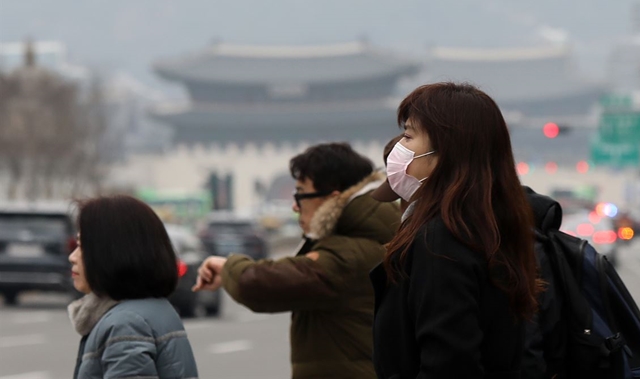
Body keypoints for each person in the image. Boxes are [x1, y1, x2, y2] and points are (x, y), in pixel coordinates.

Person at [370, 82, 540, 378]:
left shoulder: (440, 241)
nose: (399, 147)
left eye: (409, 135)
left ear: (446, 152)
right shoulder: (488, 227)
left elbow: (447, 362)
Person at [193, 142, 401, 379]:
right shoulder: (372, 241)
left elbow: (260, 284)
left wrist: (229, 266)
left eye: (301, 194)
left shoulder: (348, 255)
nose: (294, 206)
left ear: (331, 198)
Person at [68, 195, 198, 379]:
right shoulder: (152, 309)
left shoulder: (126, 324)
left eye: (81, 246)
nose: (72, 257)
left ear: (112, 253)